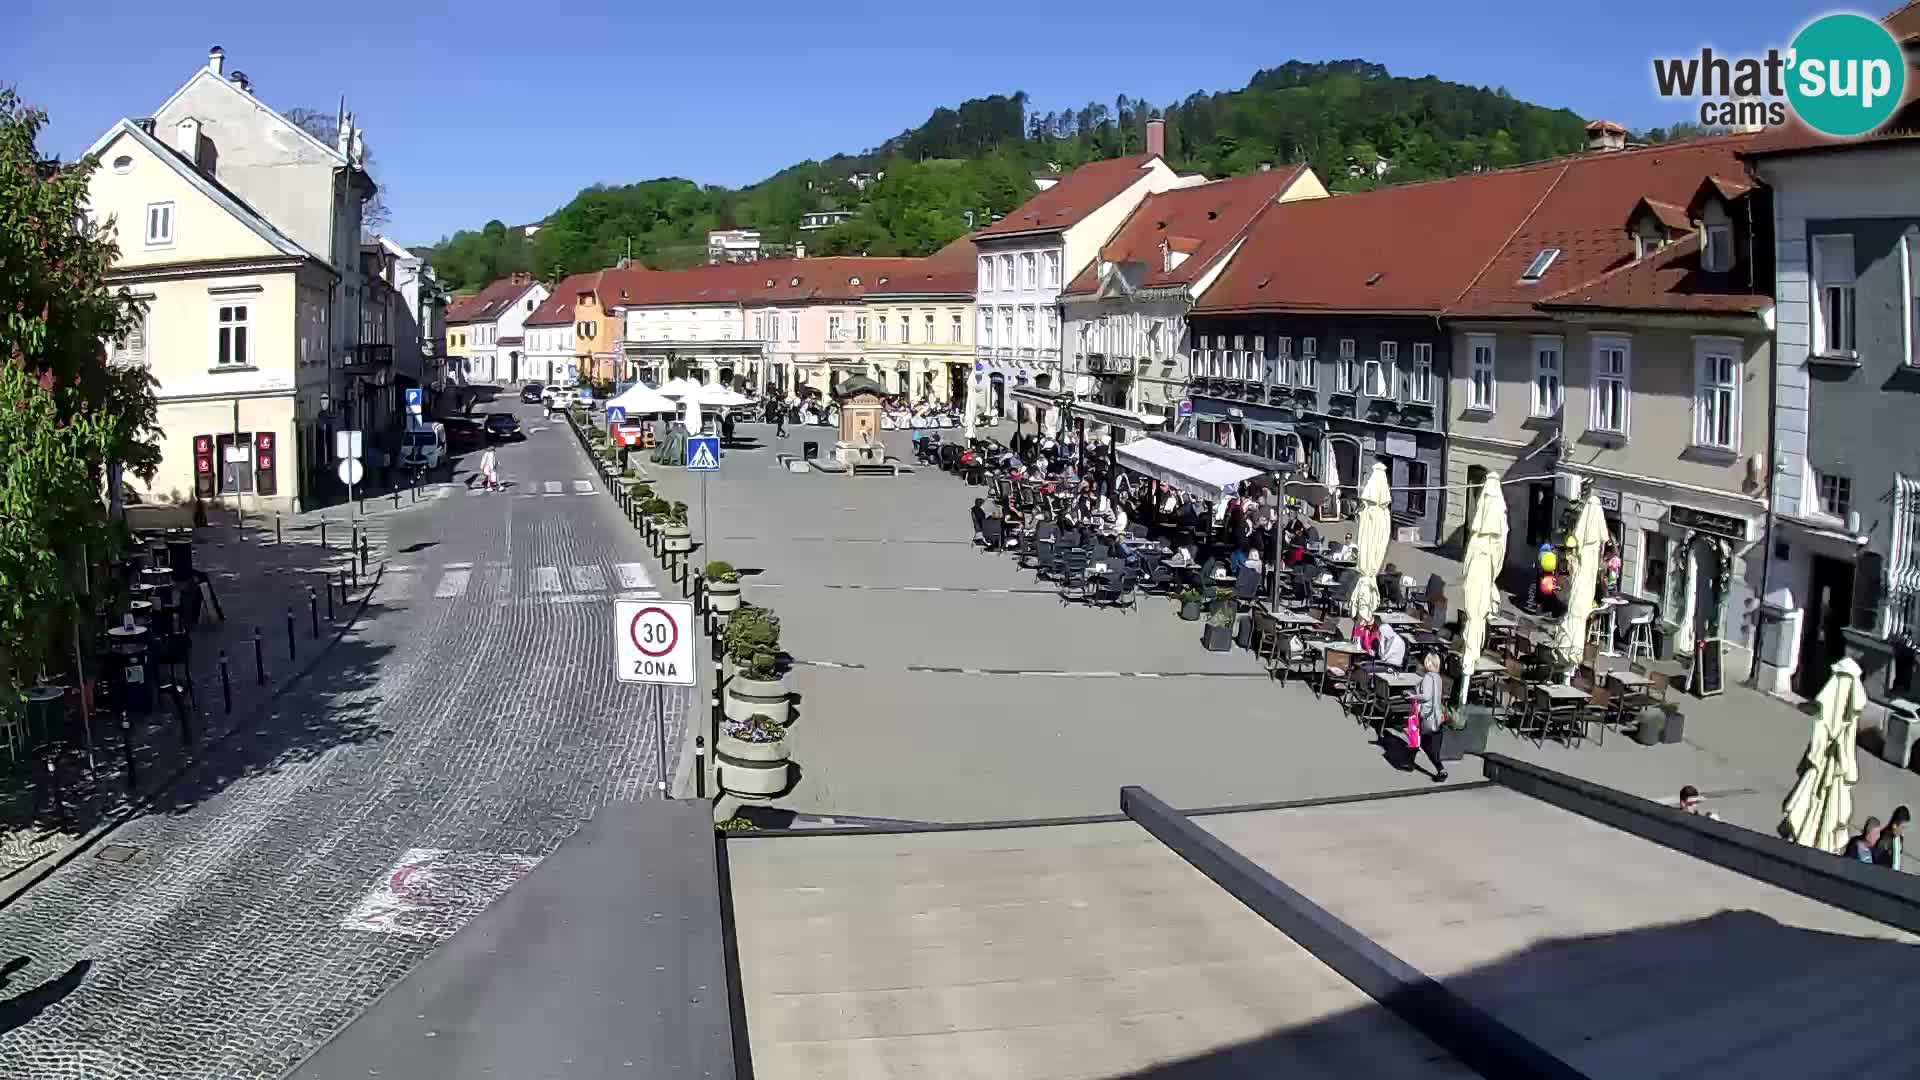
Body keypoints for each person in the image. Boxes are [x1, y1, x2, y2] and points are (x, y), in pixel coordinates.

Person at [1413, 652, 1448, 782]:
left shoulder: (1428, 677)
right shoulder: (1438, 677)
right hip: (1437, 715)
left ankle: (1440, 769)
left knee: (1422, 741)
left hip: (1427, 715)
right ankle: (1439, 767)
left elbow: (1426, 696)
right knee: (1430, 743)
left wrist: (1413, 696)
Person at [1874, 805, 1908, 870]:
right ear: (1894, 825)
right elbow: (1877, 861)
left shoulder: (1900, 838)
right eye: (1902, 827)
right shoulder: (1884, 839)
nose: (1903, 831)